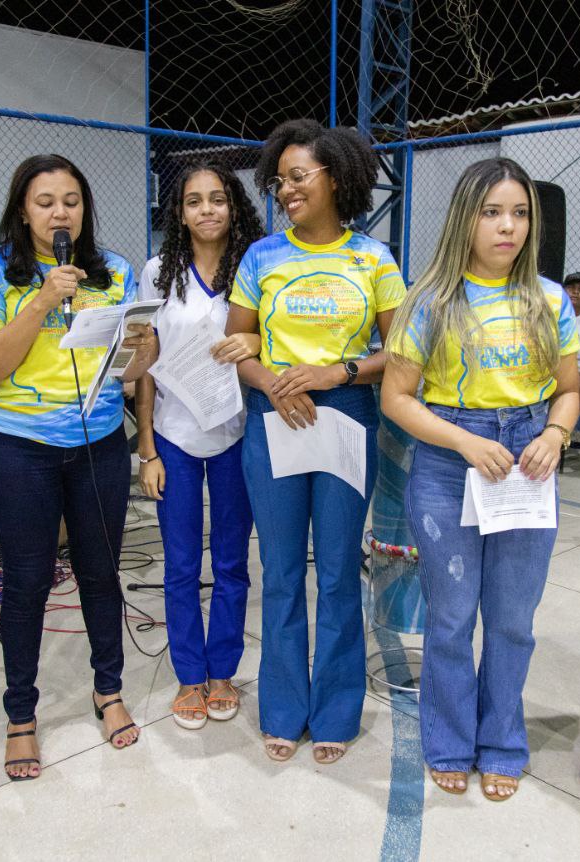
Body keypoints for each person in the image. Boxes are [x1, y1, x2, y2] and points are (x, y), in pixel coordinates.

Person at [381, 157, 580, 801]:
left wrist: (553, 434)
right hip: (449, 459)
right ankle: (449, 741)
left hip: (527, 459)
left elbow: (570, 391)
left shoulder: (550, 300)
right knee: (451, 615)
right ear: (465, 218)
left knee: (513, 617)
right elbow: (398, 398)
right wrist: (468, 441)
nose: (508, 226)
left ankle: (501, 741)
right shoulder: (431, 300)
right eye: (492, 212)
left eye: (520, 213)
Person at [0, 154, 158, 780]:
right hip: (20, 448)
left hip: (99, 443)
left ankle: (108, 690)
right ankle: (21, 716)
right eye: (45, 201)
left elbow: (131, 374)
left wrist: (142, 349)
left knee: (101, 573)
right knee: (27, 583)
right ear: (23, 209)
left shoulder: (116, 271)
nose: (59, 213)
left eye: (71, 201)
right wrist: (43, 299)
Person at [226, 118, 405, 764]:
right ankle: (282, 708)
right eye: (280, 181)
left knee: (334, 573)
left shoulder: (373, 258)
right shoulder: (261, 257)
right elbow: (239, 346)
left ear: (337, 177)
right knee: (278, 571)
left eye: (299, 177)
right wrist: (273, 382)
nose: (286, 191)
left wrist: (338, 372)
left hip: (346, 414)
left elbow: (402, 348)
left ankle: (334, 710)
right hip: (274, 415)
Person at [135, 161, 264, 730]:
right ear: (178, 212)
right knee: (182, 563)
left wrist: (253, 339)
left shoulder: (255, 267)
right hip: (175, 436)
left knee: (233, 562)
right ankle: (189, 674)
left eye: (217, 198)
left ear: (234, 206)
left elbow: (273, 341)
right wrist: (147, 449)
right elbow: (145, 365)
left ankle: (221, 671)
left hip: (237, 434)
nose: (206, 209)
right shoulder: (159, 272)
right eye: (194, 201)